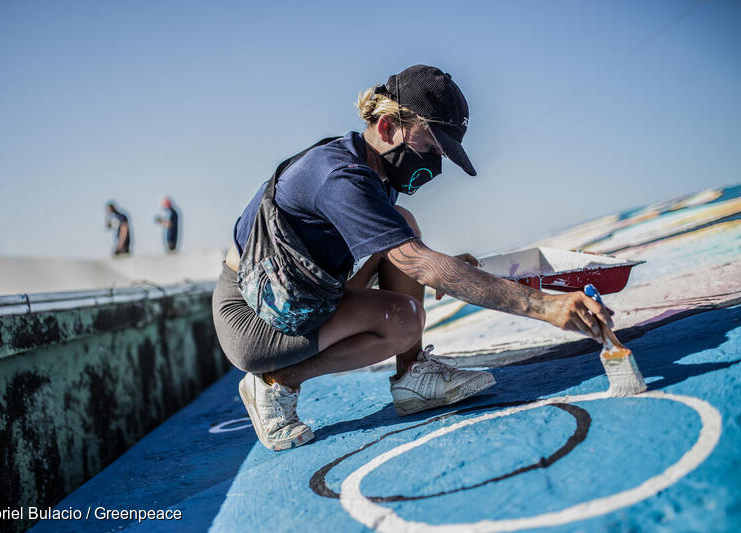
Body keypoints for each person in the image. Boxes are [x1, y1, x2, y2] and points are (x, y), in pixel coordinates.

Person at [212, 65, 614, 451]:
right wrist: (545, 306)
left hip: (295, 288)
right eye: (429, 147)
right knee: (402, 319)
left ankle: (411, 376)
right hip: (253, 316)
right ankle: (273, 381)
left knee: (402, 222)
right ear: (388, 128)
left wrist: (447, 267)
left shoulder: (371, 167)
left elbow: (404, 250)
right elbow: (418, 262)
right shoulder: (341, 177)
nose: (434, 163)